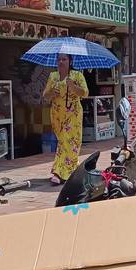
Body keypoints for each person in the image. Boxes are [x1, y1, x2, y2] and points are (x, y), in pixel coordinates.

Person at [43, 54, 89, 185]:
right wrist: (53, 93)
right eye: (59, 59)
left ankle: (58, 172)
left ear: (70, 61)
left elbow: (85, 93)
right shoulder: (53, 76)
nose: (61, 62)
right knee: (65, 142)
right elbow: (45, 95)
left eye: (64, 59)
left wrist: (73, 87)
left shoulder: (77, 75)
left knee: (67, 141)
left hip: (73, 114)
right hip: (57, 115)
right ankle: (73, 168)